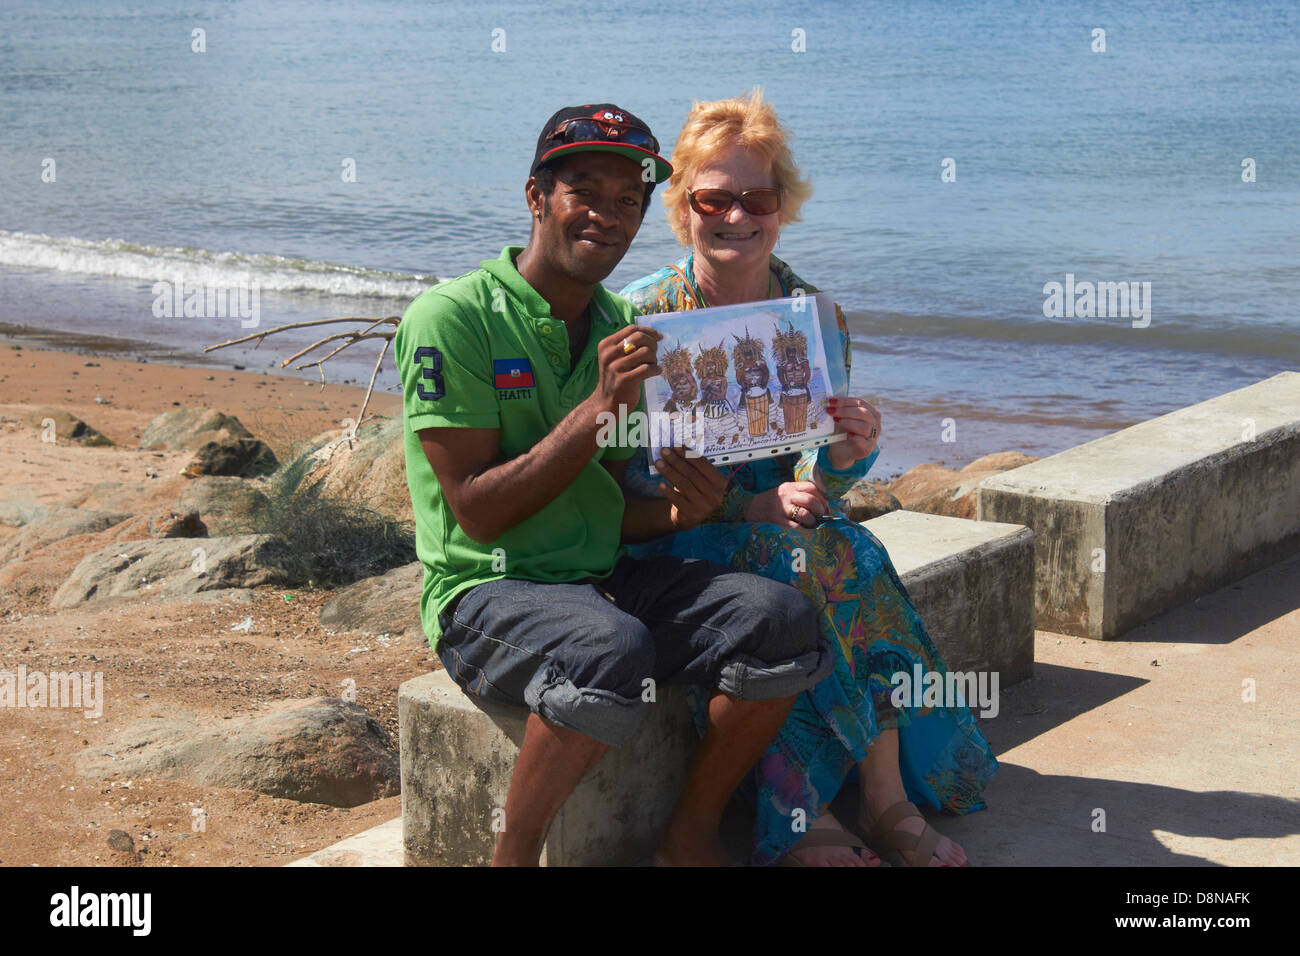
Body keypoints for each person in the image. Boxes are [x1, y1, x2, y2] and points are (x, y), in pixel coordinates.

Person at [394, 103, 833, 866]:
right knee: (611, 646)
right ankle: (514, 855)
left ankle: (689, 833)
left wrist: (674, 509)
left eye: (628, 199)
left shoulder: (622, 322)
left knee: (778, 616)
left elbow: (606, 506)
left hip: (601, 577)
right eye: (584, 191)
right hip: (484, 594)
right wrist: (596, 411)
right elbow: (476, 512)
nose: (608, 213)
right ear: (538, 197)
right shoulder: (453, 317)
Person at [619, 90, 999, 867]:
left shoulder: (814, 316)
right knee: (791, 568)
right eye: (713, 198)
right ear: (682, 207)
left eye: (755, 197)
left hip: (782, 522)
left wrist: (850, 455)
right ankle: (805, 817)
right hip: (675, 536)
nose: (735, 216)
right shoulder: (640, 318)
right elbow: (625, 475)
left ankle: (886, 803)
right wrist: (747, 503)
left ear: (781, 206)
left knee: (852, 552)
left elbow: (820, 473)